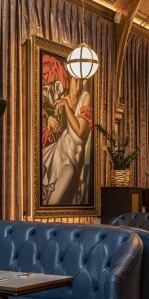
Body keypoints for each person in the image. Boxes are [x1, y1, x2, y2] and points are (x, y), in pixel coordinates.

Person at [40, 73, 93, 205]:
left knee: (58, 196)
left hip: (73, 156)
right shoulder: (60, 100)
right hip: (61, 150)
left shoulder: (85, 97)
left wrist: (67, 107)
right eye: (77, 81)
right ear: (70, 81)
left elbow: (80, 131)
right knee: (50, 200)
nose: (79, 86)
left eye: (82, 82)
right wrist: (49, 118)